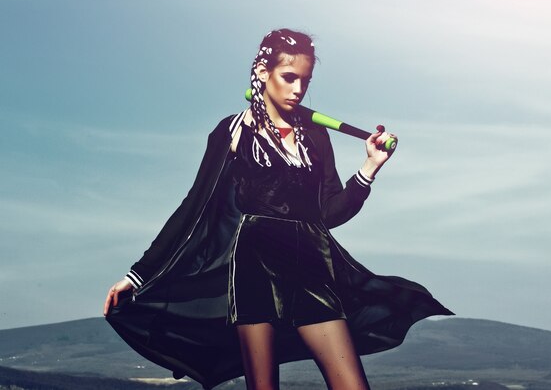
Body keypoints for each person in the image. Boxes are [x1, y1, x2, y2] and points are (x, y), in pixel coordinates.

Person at [104, 28, 453, 390]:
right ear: (262, 73)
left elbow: (329, 213)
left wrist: (369, 169)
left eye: (305, 81)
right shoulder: (234, 131)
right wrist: (138, 274)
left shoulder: (316, 137)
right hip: (255, 266)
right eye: (289, 78)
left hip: (312, 265)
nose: (298, 90)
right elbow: (193, 205)